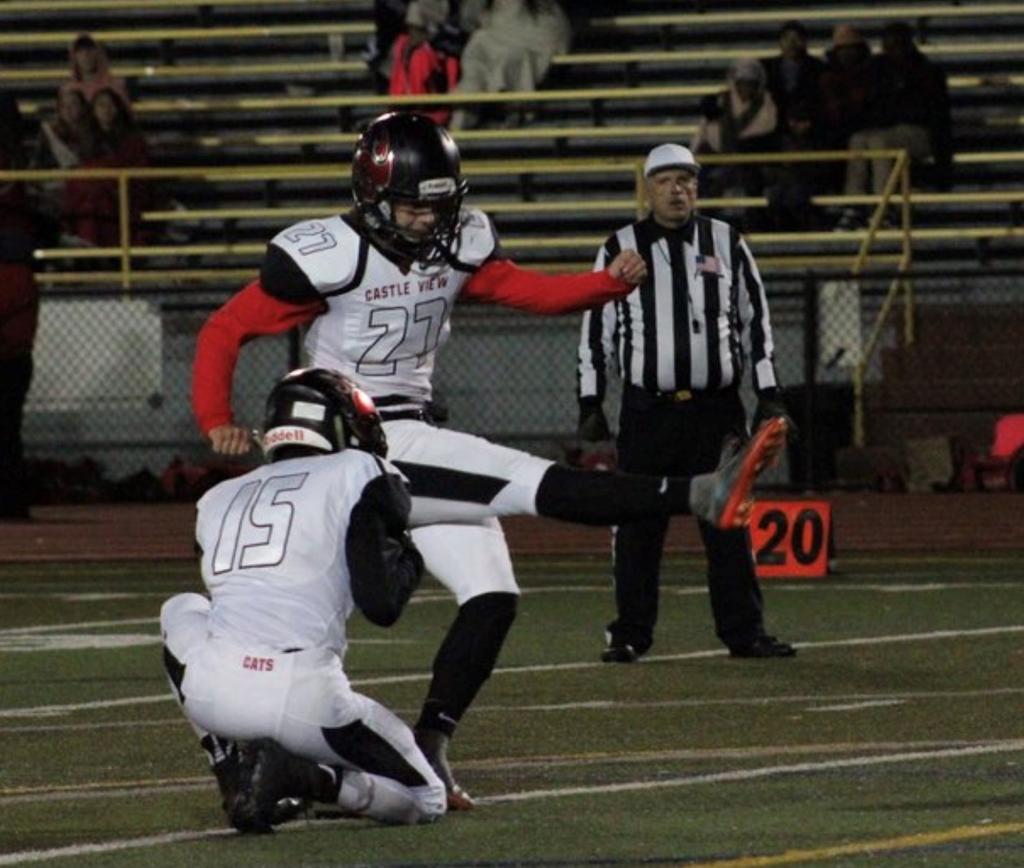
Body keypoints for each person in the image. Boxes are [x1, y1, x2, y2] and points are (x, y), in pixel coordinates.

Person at [191, 112, 789, 809]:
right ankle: (698, 493)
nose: (428, 220)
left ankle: (430, 743)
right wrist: (215, 419)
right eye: (413, 206)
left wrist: (605, 286)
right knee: (522, 481)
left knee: (493, 596)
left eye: (439, 205)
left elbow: (524, 290)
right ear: (372, 197)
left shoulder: (455, 246)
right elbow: (225, 328)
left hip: (411, 432)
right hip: (356, 444)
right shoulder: (332, 256)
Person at [161, 367, 447, 832]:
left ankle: (232, 771)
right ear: (334, 422)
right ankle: (310, 779)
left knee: (180, 608)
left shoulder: (216, 497)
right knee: (426, 797)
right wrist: (411, 555)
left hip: (211, 695)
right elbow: (381, 605)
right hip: (303, 696)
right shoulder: (360, 471)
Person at [576, 142, 797, 665]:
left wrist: (769, 393)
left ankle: (744, 632)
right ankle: (630, 633)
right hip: (648, 411)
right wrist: (590, 399)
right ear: (648, 189)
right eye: (666, 181)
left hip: (715, 410)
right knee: (638, 523)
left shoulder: (727, 241)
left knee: (727, 521)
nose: (677, 190)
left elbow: (756, 321)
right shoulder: (621, 246)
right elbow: (595, 327)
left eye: (687, 180)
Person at [841, 21, 952, 220]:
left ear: (908, 45)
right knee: (857, 139)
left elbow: (936, 115)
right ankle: (854, 202)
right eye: (888, 46)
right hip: (885, 129)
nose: (893, 51)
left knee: (879, 141)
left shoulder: (927, 71)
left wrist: (943, 162)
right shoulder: (875, 69)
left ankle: (884, 206)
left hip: (919, 132)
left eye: (897, 45)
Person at [0, 94, 41, 520]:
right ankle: (12, 500)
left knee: (8, 431)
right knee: (10, 431)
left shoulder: (13, 275)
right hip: (14, 356)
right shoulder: (21, 275)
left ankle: (11, 500)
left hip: (9, 357)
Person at [449, 0, 572, 130]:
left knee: (507, 57)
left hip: (529, 41)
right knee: (478, 52)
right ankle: (467, 109)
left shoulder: (543, 10)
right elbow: (469, 20)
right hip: (493, 39)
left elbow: (555, 33)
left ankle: (512, 108)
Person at [61, 87, 152, 247]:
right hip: (92, 196)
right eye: (101, 105)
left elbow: (140, 176)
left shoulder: (132, 141)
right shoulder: (85, 140)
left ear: (118, 109)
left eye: (110, 105)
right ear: (93, 111)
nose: (106, 109)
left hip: (122, 195)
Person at [692, 57, 779, 203]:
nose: (746, 88)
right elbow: (703, 131)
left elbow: (767, 127)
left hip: (752, 161)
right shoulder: (719, 101)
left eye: (751, 84)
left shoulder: (766, 102)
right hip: (718, 156)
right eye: (742, 83)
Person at [388, 2, 461, 126]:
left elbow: (449, 90)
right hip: (407, 113)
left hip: (432, 115)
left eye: (417, 28)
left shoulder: (444, 53)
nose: (412, 33)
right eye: (410, 28)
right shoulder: (402, 45)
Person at [762, 20, 825, 128]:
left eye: (797, 38)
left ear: (805, 41)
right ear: (780, 42)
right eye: (787, 38)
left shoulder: (818, 67)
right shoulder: (766, 67)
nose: (792, 43)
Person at [61, 33, 130, 106]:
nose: (85, 55)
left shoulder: (115, 87)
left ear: (98, 54)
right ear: (74, 57)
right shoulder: (68, 90)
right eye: (80, 51)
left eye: (90, 49)